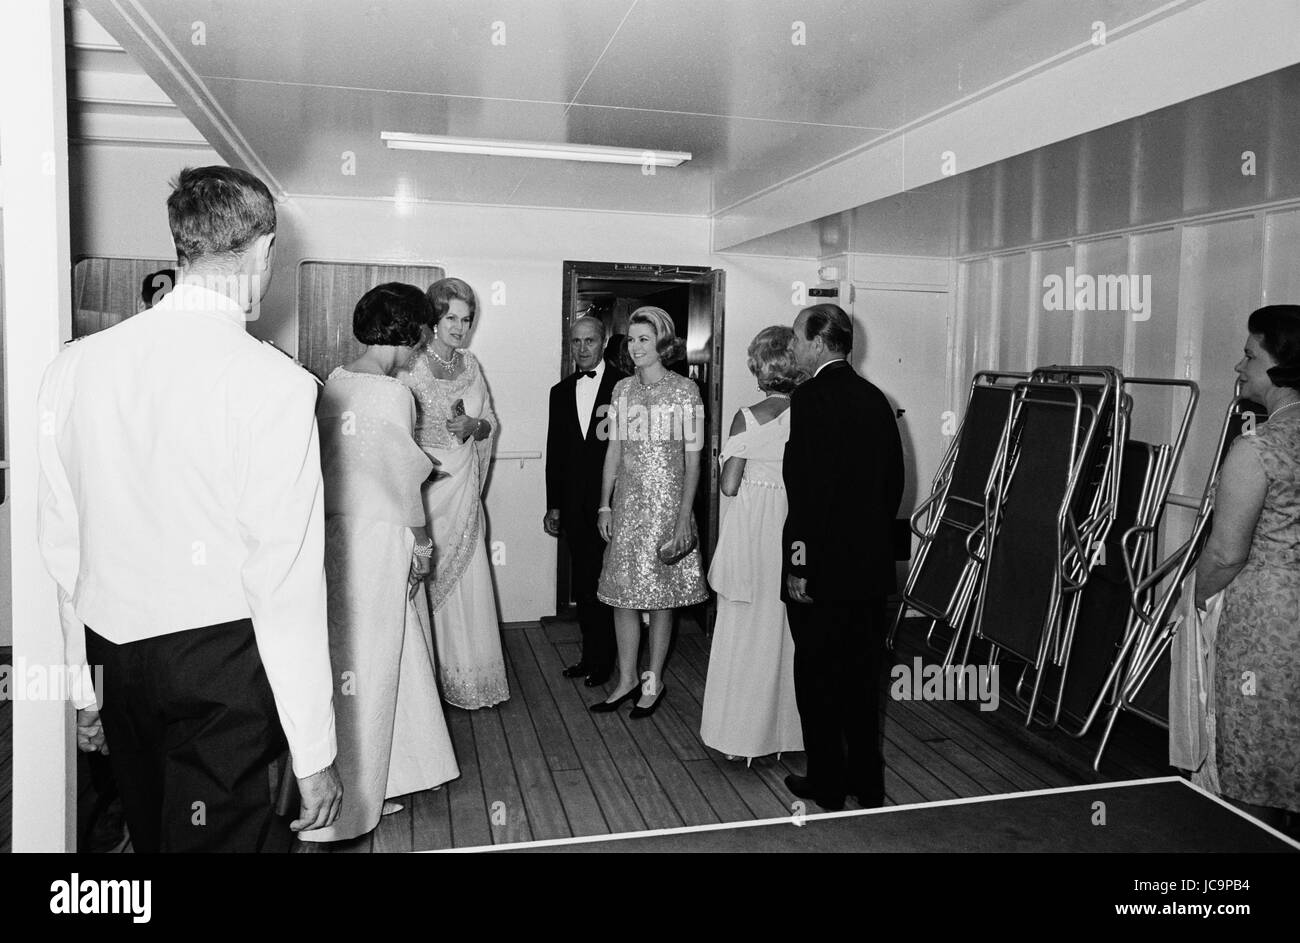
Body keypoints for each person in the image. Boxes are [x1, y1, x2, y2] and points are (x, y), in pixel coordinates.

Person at [37, 165, 342, 852]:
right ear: (262, 252)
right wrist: (315, 749)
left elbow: (61, 545)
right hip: (221, 667)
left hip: (115, 656)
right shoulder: (276, 386)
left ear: (184, 246)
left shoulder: (74, 366)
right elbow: (285, 585)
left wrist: (84, 689)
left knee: (152, 840)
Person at [300, 284, 460, 844]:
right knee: (377, 659)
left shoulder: (333, 382)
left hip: (338, 535)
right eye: (421, 331)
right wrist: (422, 543)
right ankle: (363, 791)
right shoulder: (393, 395)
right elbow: (402, 484)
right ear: (408, 331)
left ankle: (392, 771)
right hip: (381, 537)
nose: (421, 344)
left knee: (361, 655)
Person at [781, 303, 903, 811]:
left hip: (822, 573)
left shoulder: (809, 399)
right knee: (861, 680)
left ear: (818, 342)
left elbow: (805, 491)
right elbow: (893, 484)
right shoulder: (877, 399)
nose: (792, 347)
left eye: (796, 338)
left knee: (817, 678)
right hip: (870, 572)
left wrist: (799, 564)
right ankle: (867, 786)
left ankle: (828, 783)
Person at [1194, 304, 1300, 836]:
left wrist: (1193, 600)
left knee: (1255, 754)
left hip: (1268, 623)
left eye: (1249, 354)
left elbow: (1225, 554)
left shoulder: (1258, 448)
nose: (1240, 366)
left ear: (1282, 366)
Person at [399, 277, 509, 709]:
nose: (460, 328)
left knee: (467, 576)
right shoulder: (411, 364)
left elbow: (489, 424)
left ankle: (469, 678)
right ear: (434, 318)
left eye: (466, 320)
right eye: (451, 318)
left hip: (462, 488)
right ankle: (425, 687)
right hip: (424, 489)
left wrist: (474, 427)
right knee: (421, 577)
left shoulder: (471, 365)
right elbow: (398, 429)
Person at [593, 307, 708, 717]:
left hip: (666, 507)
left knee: (660, 600)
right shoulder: (622, 390)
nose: (636, 347)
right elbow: (614, 450)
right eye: (631, 339)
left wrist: (683, 518)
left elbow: (693, 462)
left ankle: (652, 681)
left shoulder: (684, 391)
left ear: (662, 343)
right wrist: (605, 503)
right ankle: (626, 678)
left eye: (644, 339)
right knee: (621, 597)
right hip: (627, 505)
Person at [701, 326, 806, 761]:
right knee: (786, 629)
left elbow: (728, 486)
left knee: (745, 626)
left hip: (754, 527)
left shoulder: (747, 414)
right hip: (792, 523)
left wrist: (720, 460)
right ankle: (789, 735)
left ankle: (741, 737)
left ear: (760, 365)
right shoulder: (810, 411)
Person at [545, 316, 628, 686]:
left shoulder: (625, 388)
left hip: (613, 506)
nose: (582, 349)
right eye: (576, 341)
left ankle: (607, 661)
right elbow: (556, 453)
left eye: (589, 341)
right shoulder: (560, 391)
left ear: (603, 341)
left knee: (610, 585)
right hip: (575, 506)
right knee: (584, 585)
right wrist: (554, 504)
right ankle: (589, 656)